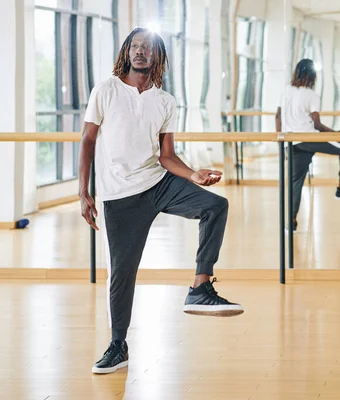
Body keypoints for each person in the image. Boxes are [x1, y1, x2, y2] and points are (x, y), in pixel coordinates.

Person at [78, 27, 243, 375]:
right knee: (122, 274)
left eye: (147, 48)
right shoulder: (105, 91)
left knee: (215, 206)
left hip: (159, 181)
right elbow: (88, 140)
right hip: (120, 195)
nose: (140, 52)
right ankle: (117, 346)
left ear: (156, 56)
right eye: (135, 47)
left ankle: (200, 287)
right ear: (127, 52)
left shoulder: (165, 101)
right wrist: (83, 191)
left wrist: (193, 174)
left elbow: (167, 155)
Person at [276, 59, 340, 232]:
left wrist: (281, 142)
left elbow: (278, 116)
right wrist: (336, 134)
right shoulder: (311, 95)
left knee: (296, 182)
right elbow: (317, 124)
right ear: (313, 76)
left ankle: (291, 222)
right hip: (308, 138)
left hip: (291, 141)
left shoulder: (286, 91)